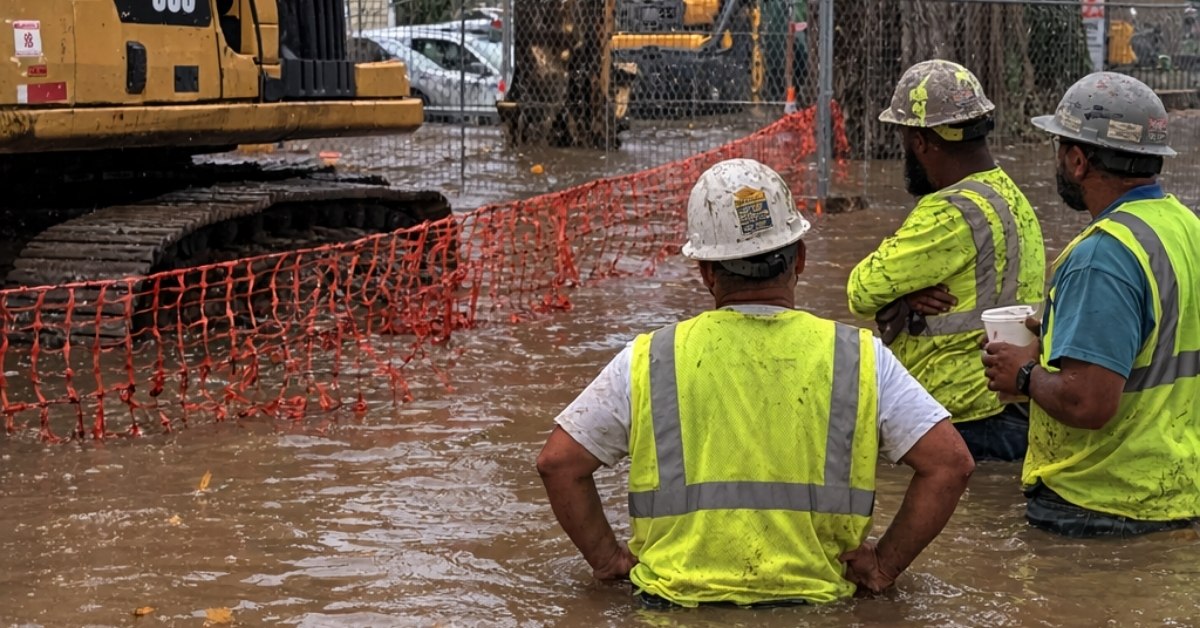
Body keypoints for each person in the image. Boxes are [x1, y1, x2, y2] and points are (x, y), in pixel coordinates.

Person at [537, 158, 974, 607]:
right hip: (817, 607)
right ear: (800, 259)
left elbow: (559, 464)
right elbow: (950, 465)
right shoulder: (860, 357)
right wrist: (884, 564)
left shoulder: (650, 358)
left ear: (706, 272)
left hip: (672, 608)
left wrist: (609, 560)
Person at [983, 72, 1200, 537]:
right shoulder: (1185, 227)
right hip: (1176, 493)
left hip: (1097, 501)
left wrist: (1022, 372)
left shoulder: (1102, 255)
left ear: (1078, 161)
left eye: (1059, 149)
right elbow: (1160, 342)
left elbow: (1089, 402)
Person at [846, 59, 1046, 462]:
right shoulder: (1009, 195)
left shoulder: (950, 211)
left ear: (920, 142)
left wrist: (896, 296)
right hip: (1012, 404)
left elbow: (860, 290)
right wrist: (905, 297)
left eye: (904, 138)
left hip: (963, 417)